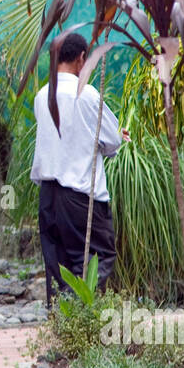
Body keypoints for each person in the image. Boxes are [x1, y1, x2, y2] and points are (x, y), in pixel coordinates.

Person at [30, 30, 127, 305]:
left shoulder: (42, 95)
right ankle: (79, 324)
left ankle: (62, 327)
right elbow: (112, 141)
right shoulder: (86, 94)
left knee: (58, 266)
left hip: (48, 195)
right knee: (97, 258)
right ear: (82, 58)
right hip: (80, 196)